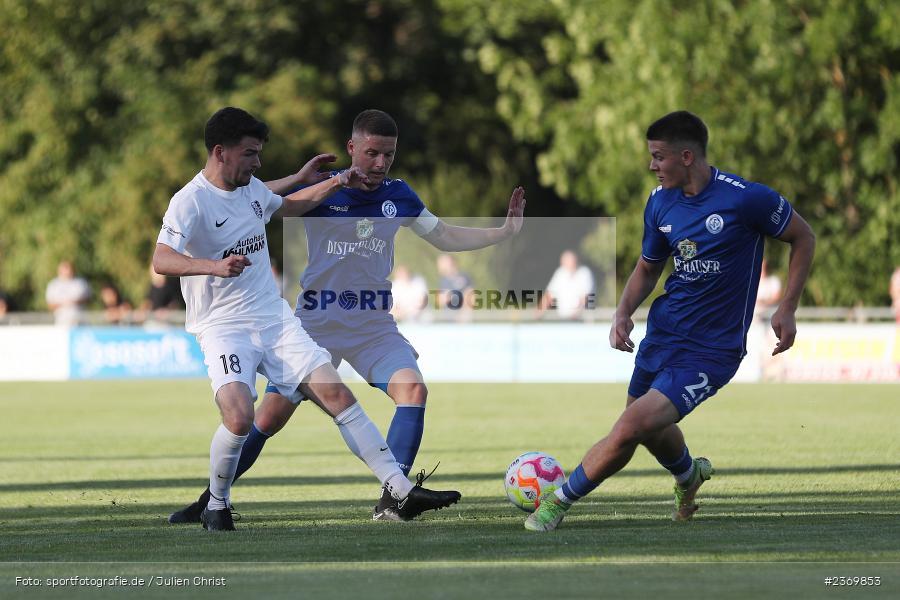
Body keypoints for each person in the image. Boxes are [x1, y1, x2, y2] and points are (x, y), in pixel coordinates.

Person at [168, 109, 525, 524]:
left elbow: (444, 235)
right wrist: (304, 180)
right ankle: (211, 500)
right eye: (372, 153)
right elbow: (261, 201)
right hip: (316, 321)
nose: (380, 163)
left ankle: (394, 500)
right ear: (352, 148)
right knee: (266, 418)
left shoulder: (400, 195)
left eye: (389, 155)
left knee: (413, 390)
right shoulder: (324, 191)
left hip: (372, 324)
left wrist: (502, 232)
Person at [525, 110, 816, 532]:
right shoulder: (660, 201)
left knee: (629, 427)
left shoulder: (746, 199)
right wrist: (623, 312)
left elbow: (803, 236)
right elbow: (649, 266)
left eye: (658, 157)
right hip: (662, 336)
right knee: (645, 428)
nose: (652, 165)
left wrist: (788, 306)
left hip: (711, 351)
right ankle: (688, 474)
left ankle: (557, 502)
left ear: (686, 157)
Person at [539, 250, 595, 320]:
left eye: (570, 261)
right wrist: (539, 312)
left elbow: (585, 297)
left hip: (581, 319)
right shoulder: (560, 273)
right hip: (564, 318)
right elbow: (549, 295)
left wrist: (576, 313)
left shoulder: (584, 273)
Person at [45, 260, 91, 326]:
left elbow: (88, 299)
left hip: (80, 320)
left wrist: (74, 302)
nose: (68, 271)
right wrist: (64, 303)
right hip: (62, 321)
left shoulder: (81, 283)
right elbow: (50, 305)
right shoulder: (53, 285)